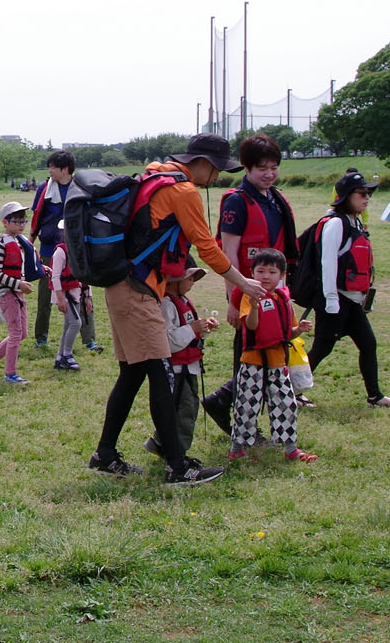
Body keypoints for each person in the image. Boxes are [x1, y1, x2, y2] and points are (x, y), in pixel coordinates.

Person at [88, 136, 267, 484]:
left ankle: (105, 454)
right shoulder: (183, 191)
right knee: (158, 373)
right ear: (203, 161)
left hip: (125, 285)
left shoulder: (157, 173)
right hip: (138, 290)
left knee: (133, 374)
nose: (218, 177)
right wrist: (243, 282)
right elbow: (208, 248)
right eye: (218, 168)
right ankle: (178, 466)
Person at [201, 133, 300, 429]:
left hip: (273, 292)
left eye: (274, 167)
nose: (269, 174)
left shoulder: (274, 199)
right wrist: (234, 300)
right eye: (262, 169)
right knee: (249, 356)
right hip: (247, 294)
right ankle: (238, 418)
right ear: (246, 168)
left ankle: (227, 404)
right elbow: (227, 253)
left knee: (273, 351)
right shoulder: (238, 202)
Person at [306, 170, 390, 408]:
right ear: (346, 196)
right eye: (361, 193)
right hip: (335, 300)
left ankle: (375, 395)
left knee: (368, 344)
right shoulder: (336, 224)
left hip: (350, 301)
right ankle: (286, 388)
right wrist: (331, 300)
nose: (367, 197)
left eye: (368, 193)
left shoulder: (354, 221)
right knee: (321, 348)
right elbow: (327, 263)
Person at [140, 259, 226, 484]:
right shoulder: (167, 305)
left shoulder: (182, 300)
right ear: (175, 280)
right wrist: (192, 329)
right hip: (177, 369)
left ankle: (159, 443)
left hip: (189, 366)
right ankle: (177, 456)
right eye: (190, 278)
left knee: (179, 408)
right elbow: (167, 340)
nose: (193, 282)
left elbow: (188, 333)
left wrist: (202, 328)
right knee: (184, 411)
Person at [229, 250, 317, 463]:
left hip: (278, 362)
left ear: (282, 275)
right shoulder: (249, 297)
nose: (265, 276)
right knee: (246, 404)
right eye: (260, 271)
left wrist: (300, 329)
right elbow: (250, 326)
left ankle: (290, 448)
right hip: (253, 361)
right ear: (251, 273)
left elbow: (289, 332)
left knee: (286, 403)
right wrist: (255, 307)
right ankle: (237, 448)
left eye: (272, 271)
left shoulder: (283, 298)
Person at [30, 151, 95, 351]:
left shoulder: (81, 188)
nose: (49, 171)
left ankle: (89, 339)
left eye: (52, 167)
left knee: (82, 291)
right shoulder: (44, 188)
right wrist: (31, 240)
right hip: (49, 247)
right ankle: (41, 337)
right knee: (44, 293)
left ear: (65, 169)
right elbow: (37, 215)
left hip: (77, 248)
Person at [0, 201, 37, 384]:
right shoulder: (1, 244)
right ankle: (10, 374)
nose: (21, 224)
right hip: (8, 294)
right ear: (5, 222)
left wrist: (42, 268)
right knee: (15, 334)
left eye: (23, 221)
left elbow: (21, 267)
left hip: (18, 294)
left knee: (22, 333)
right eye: (17, 220)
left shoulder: (18, 242)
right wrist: (17, 284)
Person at [46, 221, 86, 371]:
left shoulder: (77, 251)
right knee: (76, 323)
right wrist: (60, 298)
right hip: (64, 294)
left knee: (68, 325)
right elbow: (55, 277)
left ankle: (59, 357)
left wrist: (87, 296)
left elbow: (83, 275)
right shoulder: (60, 252)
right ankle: (67, 355)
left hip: (75, 292)